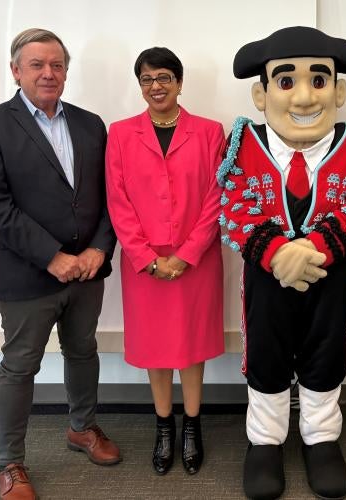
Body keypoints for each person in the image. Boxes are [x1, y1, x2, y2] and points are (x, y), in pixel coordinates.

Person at [218, 26, 346, 500]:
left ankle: (321, 437)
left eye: (319, 81)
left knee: (325, 351)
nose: (305, 97)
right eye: (286, 83)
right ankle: (265, 441)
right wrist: (277, 253)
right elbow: (234, 204)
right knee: (266, 354)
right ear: (261, 93)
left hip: (331, 278)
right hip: (265, 280)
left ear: (339, 89)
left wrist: (312, 250)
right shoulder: (243, 142)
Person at [0, 28, 120, 500]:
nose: (48, 73)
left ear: (67, 72)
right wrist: (51, 257)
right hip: (28, 273)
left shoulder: (92, 124)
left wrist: (99, 249)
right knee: (19, 366)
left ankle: (82, 427)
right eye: (37, 65)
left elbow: (114, 196)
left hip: (88, 270)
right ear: (16, 71)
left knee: (83, 351)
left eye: (57, 65)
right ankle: (9, 463)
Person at [105, 47, 225, 477]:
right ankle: (163, 427)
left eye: (164, 77)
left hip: (197, 261)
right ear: (139, 85)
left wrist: (186, 255)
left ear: (179, 81)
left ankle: (192, 426)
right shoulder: (120, 134)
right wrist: (146, 257)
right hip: (145, 265)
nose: (156, 86)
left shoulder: (211, 132)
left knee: (192, 347)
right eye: (147, 79)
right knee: (156, 349)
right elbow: (118, 202)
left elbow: (216, 198)